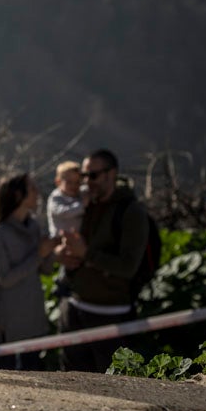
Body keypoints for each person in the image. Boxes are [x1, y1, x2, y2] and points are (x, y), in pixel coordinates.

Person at [56, 149, 149, 372]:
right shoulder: (85, 205)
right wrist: (61, 254)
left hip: (111, 317)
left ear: (112, 174)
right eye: (84, 176)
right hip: (74, 309)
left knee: (113, 385)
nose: (87, 182)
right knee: (72, 381)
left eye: (93, 175)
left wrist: (86, 254)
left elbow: (128, 267)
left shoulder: (131, 212)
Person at [0, 173, 58, 370]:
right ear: (18, 195)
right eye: (32, 189)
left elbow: (44, 270)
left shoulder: (33, 226)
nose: (37, 193)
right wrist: (39, 255)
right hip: (9, 324)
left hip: (32, 318)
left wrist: (52, 252)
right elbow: (5, 279)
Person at [46, 160, 85, 238]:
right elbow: (64, 213)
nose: (74, 186)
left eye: (77, 182)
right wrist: (82, 206)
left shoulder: (79, 194)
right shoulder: (55, 198)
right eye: (69, 182)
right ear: (58, 182)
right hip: (59, 239)